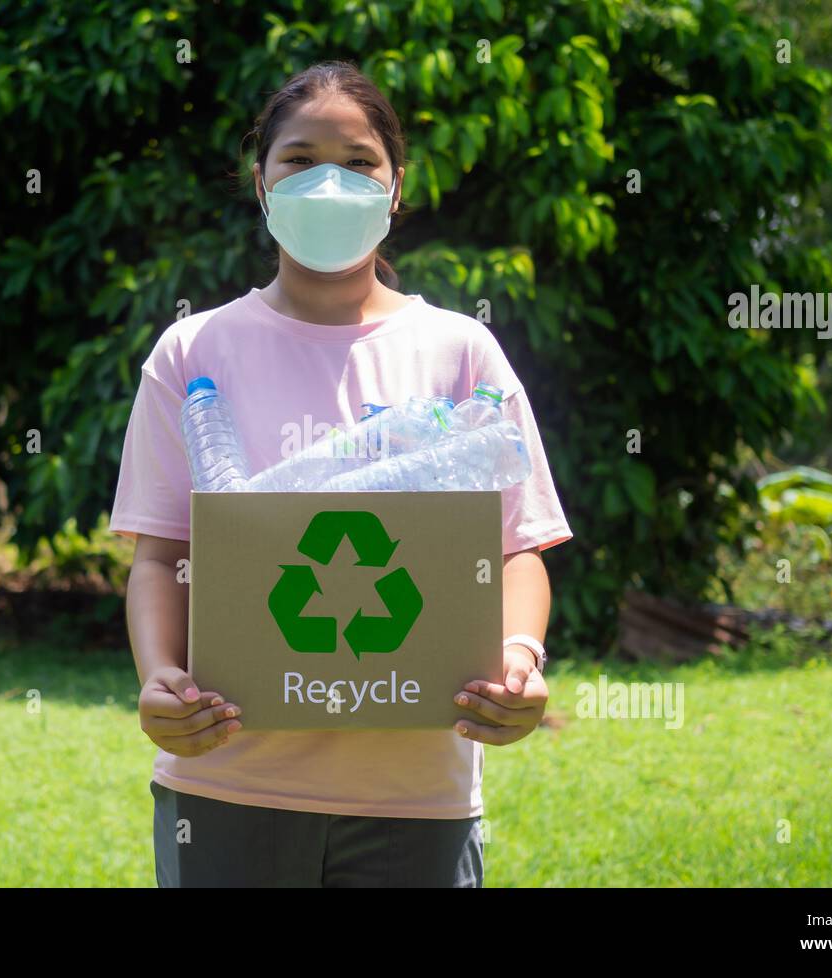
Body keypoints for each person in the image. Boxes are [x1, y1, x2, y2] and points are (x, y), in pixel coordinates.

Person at [110, 60, 573, 887]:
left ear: (397, 188)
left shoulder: (461, 352)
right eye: (299, 160)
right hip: (226, 781)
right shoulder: (193, 354)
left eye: (359, 162)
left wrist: (519, 655)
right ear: (260, 182)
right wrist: (158, 681)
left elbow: (516, 548)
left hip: (417, 797)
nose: (330, 183)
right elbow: (161, 554)